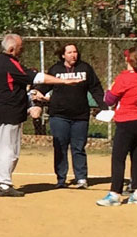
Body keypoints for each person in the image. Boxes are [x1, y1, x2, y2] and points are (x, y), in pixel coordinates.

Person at [0, 34, 85, 197]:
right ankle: (4, 183)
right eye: (20, 47)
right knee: (10, 149)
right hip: (9, 113)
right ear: (11, 49)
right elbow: (35, 77)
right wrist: (64, 81)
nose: (22, 50)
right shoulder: (10, 63)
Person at [38, 43, 105, 188]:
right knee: (60, 146)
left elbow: (96, 88)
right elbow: (43, 87)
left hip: (80, 116)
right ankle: (61, 179)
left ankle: (81, 178)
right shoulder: (56, 69)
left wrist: (104, 106)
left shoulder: (85, 68)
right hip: (59, 115)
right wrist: (36, 98)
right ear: (63, 55)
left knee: (78, 147)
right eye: (69, 52)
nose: (73, 55)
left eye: (75, 52)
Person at [96, 48, 137, 207]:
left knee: (118, 158)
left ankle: (115, 194)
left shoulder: (124, 78)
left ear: (129, 61)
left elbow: (109, 100)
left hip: (126, 122)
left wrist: (110, 88)